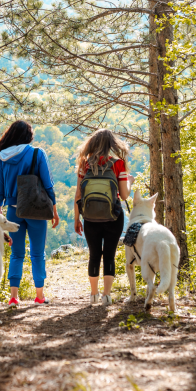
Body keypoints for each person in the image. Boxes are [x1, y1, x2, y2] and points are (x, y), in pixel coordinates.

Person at [0, 120, 60, 306]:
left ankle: (14, 297)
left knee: (16, 254)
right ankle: (39, 296)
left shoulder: (3, 156)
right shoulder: (37, 153)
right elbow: (48, 184)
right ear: (28, 136)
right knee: (38, 254)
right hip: (36, 210)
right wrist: (54, 209)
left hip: (13, 213)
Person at [73, 129, 133, 306]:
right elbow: (123, 195)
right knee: (109, 255)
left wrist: (77, 219)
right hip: (113, 216)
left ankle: (93, 294)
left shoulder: (85, 164)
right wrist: (129, 181)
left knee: (94, 254)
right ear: (111, 144)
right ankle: (107, 295)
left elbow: (78, 194)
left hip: (90, 217)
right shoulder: (118, 163)